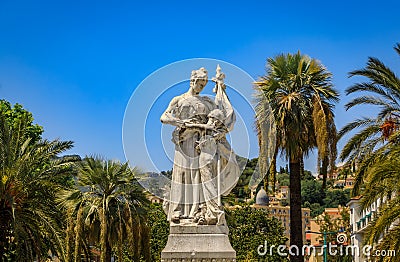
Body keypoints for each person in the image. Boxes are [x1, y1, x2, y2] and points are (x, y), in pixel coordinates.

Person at [160, 67, 239, 225]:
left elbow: (221, 111)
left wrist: (220, 89)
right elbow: (164, 117)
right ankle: (177, 211)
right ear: (192, 81)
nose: (202, 86)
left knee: (198, 176)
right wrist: (182, 123)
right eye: (200, 83)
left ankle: (198, 211)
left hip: (201, 143)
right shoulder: (178, 99)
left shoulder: (207, 102)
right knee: (181, 173)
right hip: (183, 141)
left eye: (204, 84)